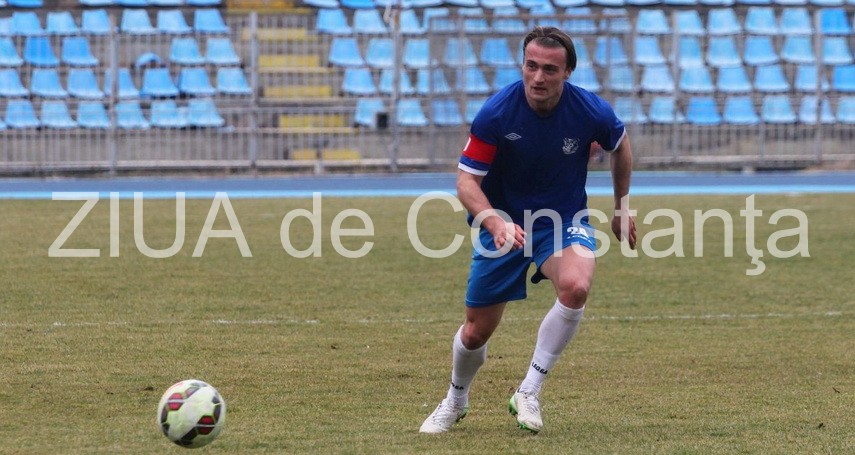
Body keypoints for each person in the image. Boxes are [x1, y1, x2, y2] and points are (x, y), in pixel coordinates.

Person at [419, 26, 637, 434]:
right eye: (531, 66)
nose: (538, 77)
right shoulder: (497, 113)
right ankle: (455, 399)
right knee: (475, 333)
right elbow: (466, 182)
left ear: (567, 72)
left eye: (550, 69)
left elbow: (620, 145)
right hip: (502, 223)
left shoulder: (590, 110)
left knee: (576, 286)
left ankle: (529, 391)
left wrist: (622, 206)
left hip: (562, 220)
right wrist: (494, 221)